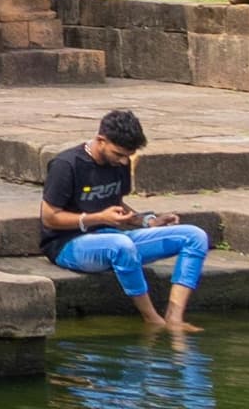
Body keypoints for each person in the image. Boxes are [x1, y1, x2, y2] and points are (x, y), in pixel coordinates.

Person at [41, 108, 207, 333]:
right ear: (101, 140)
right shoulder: (66, 165)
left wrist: (146, 221)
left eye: (126, 156)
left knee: (194, 236)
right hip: (67, 245)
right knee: (122, 247)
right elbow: (50, 218)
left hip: (112, 236)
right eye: (118, 154)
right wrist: (98, 218)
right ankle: (152, 320)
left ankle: (174, 318)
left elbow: (115, 202)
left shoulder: (120, 163)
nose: (122, 161)